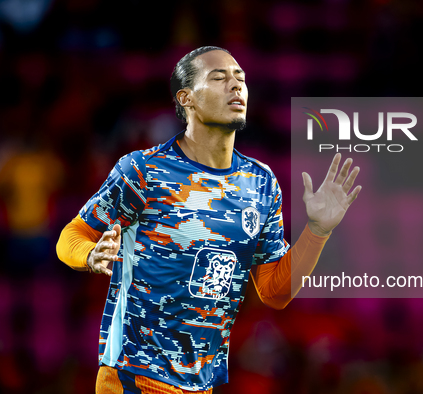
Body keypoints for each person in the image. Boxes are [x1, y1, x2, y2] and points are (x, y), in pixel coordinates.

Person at [56, 46, 361, 393]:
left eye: (240, 78)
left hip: (201, 385)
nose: (236, 86)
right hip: (133, 376)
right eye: (219, 78)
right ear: (187, 98)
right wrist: (89, 255)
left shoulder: (261, 183)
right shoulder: (143, 169)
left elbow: (275, 292)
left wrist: (318, 231)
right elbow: (72, 234)